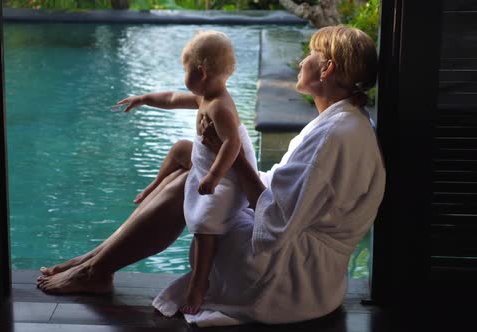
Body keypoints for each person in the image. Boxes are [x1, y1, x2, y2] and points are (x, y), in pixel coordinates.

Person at [37, 25, 385, 326]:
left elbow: (276, 223)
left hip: (288, 280)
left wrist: (230, 160)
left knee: (193, 183)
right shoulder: (344, 124)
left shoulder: (333, 137)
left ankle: (95, 270)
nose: (302, 61)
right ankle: (95, 261)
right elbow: (286, 200)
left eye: (310, 54)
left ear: (326, 69)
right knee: (192, 159)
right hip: (308, 269)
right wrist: (220, 159)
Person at [115, 30, 258, 314]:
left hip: (228, 177)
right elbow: (170, 98)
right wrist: (143, 98)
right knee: (180, 148)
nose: (184, 75)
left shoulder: (220, 107)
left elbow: (233, 145)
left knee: (205, 226)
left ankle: (199, 283)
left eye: (186, 69)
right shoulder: (205, 95)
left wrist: (214, 177)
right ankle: (155, 186)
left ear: (201, 72)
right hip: (208, 159)